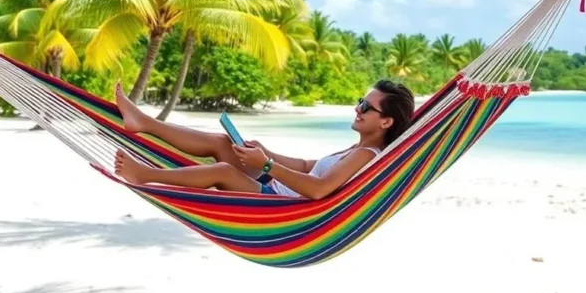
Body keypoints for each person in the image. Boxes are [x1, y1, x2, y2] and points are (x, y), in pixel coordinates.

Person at [112, 79, 415, 199]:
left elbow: (319, 189)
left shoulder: (367, 155)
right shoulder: (358, 147)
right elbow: (308, 165)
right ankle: (144, 123)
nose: (357, 108)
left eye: (365, 107)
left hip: (279, 203)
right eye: (360, 101)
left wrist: (267, 165)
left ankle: (145, 175)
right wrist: (267, 153)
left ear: (386, 121)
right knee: (222, 142)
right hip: (275, 185)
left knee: (224, 172)